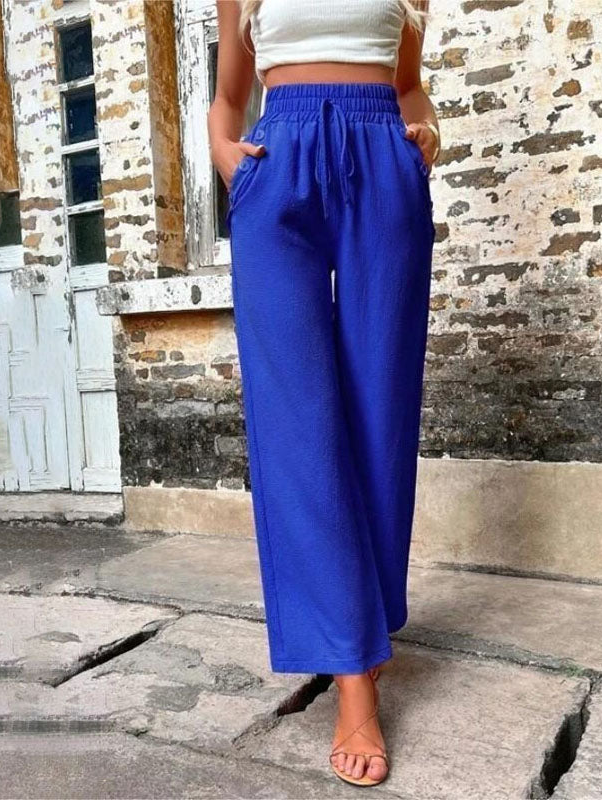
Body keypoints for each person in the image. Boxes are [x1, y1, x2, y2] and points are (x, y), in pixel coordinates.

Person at [208, 0, 439, 787]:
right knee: (296, 428)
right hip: (280, 164)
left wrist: (426, 134)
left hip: (383, 161)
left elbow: (408, 86)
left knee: (381, 414)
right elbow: (228, 96)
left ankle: (361, 630)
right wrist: (225, 155)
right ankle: (352, 673)